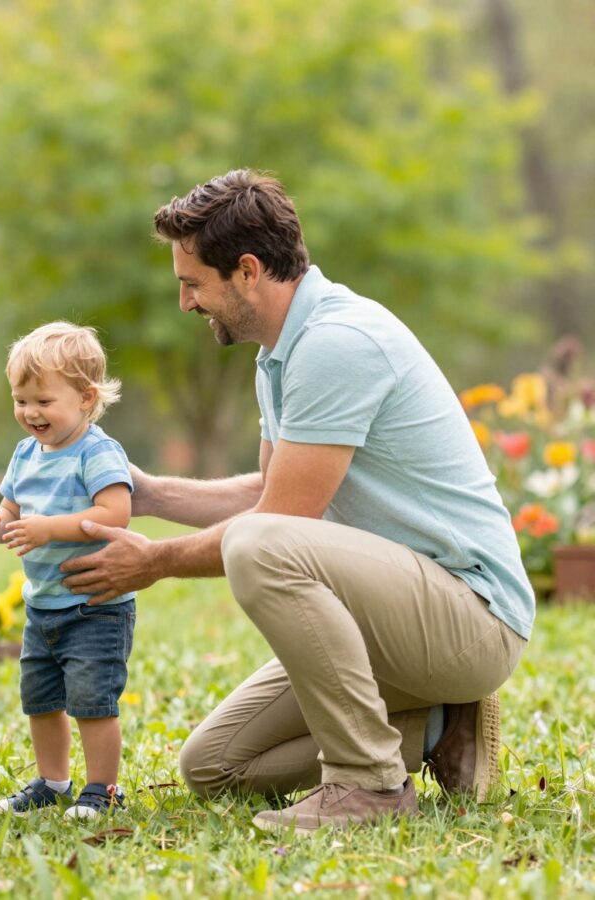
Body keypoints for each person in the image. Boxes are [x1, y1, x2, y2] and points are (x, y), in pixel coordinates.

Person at [59, 170, 533, 833]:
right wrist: (150, 493)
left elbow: (278, 524)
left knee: (262, 544)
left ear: (248, 271)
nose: (185, 303)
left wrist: (155, 562)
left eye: (193, 284)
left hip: (471, 618)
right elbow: (271, 492)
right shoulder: (279, 353)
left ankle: (368, 784)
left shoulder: (338, 344)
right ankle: (437, 727)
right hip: (396, 617)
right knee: (214, 766)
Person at [0, 321, 136, 819]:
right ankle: (52, 782)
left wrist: (49, 529)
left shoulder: (96, 451)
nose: (30, 412)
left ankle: (102, 789)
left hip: (94, 605)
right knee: (41, 700)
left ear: (86, 398)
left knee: (92, 701)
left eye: (43, 401)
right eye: (21, 401)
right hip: (42, 605)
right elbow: (11, 505)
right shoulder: (26, 453)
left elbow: (116, 513)